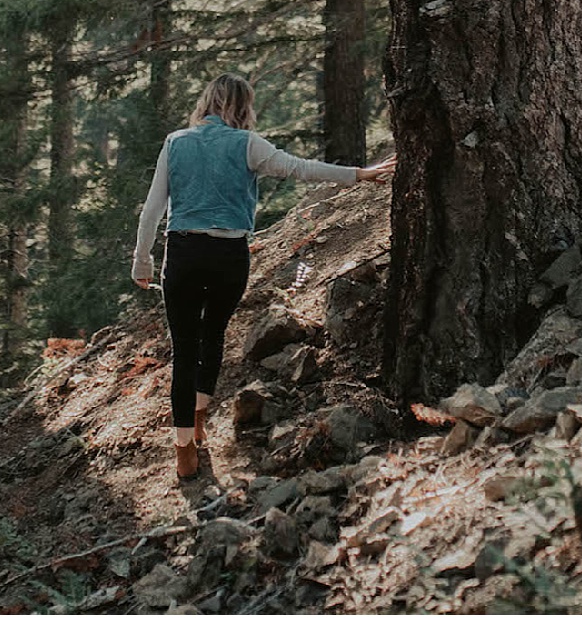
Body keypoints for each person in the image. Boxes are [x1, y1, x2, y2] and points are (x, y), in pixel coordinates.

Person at [132, 74, 394, 478]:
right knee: (213, 334)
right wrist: (357, 174)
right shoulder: (248, 144)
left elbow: (152, 209)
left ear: (207, 102)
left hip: (182, 253)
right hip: (228, 256)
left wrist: (142, 262)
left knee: (184, 350)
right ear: (241, 107)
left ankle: (184, 448)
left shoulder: (176, 142)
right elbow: (300, 169)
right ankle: (200, 418)